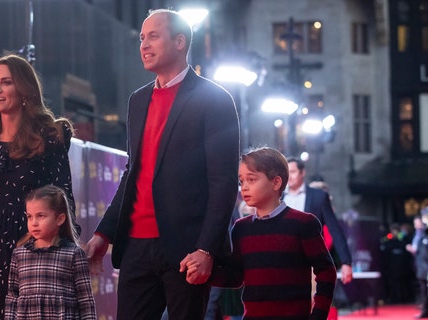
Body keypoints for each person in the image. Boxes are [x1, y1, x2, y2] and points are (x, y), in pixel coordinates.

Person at [84, 8, 240, 319]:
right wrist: (104, 234)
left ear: (180, 41)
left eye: (153, 36)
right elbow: (134, 172)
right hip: (135, 247)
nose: (143, 45)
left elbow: (223, 181)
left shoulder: (215, 98)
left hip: (187, 249)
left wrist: (206, 249)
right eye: (141, 38)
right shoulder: (137, 100)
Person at [0, 54, 78, 319]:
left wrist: (70, 250)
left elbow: (64, 196)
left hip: (41, 245)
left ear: (24, 90)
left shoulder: (49, 136)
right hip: (0, 247)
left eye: (7, 82)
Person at [209, 147, 337, 320]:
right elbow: (236, 277)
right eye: (241, 181)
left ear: (276, 183)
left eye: (251, 179)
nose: (244, 187)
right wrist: (205, 274)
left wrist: (319, 314)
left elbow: (326, 271)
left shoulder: (303, 223)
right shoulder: (241, 228)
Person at [5, 185, 96, 319]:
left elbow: (85, 299)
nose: (34, 223)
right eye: (29, 217)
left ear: (60, 219)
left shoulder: (74, 254)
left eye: (41, 216)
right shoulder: (20, 254)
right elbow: (12, 297)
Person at [284, 157, 354, 284]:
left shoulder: (318, 197)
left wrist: (346, 262)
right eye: (286, 172)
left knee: (311, 302)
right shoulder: (277, 197)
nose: (289, 176)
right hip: (282, 263)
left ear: (302, 172)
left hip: (310, 262)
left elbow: (335, 230)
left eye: (293, 172)